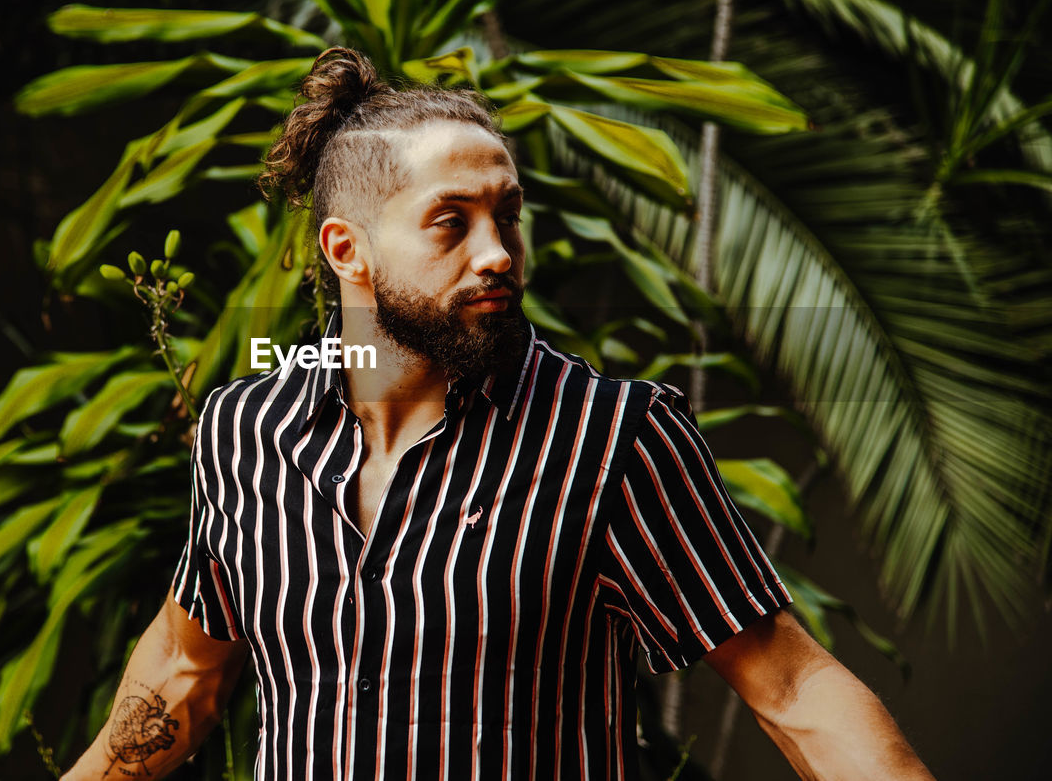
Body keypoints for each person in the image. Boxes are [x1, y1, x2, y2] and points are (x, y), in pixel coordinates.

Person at [62, 48, 935, 780]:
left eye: (507, 215)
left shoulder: (610, 438)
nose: (497, 254)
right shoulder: (246, 433)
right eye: (452, 222)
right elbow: (184, 673)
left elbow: (790, 687)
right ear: (347, 251)